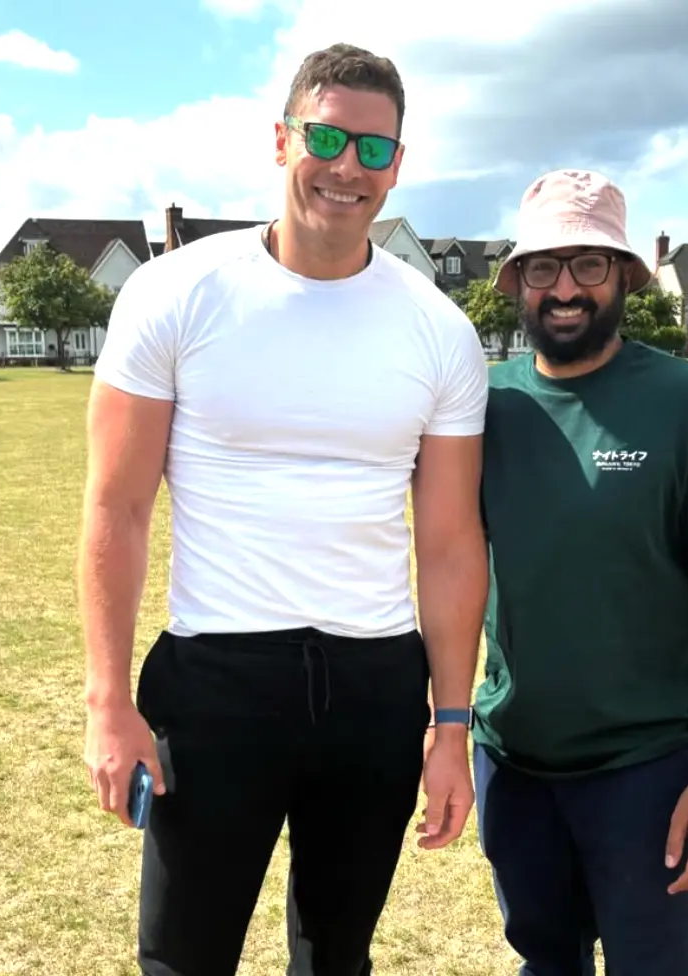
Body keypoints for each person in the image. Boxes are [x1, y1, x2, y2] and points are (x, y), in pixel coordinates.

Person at [76, 43, 490, 976]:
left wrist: (452, 725)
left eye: (374, 149)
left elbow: (453, 543)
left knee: (338, 957)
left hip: (376, 688)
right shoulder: (175, 294)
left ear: (398, 163)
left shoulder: (439, 328)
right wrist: (108, 699)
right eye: (328, 136)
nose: (348, 167)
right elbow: (118, 505)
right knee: (184, 957)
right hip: (218, 677)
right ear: (282, 139)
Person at [470, 169, 688, 975]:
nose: (566, 289)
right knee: (546, 962)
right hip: (512, 761)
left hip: (646, 772)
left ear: (624, 277)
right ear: (517, 282)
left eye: (589, 265)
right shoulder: (481, 404)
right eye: (544, 267)